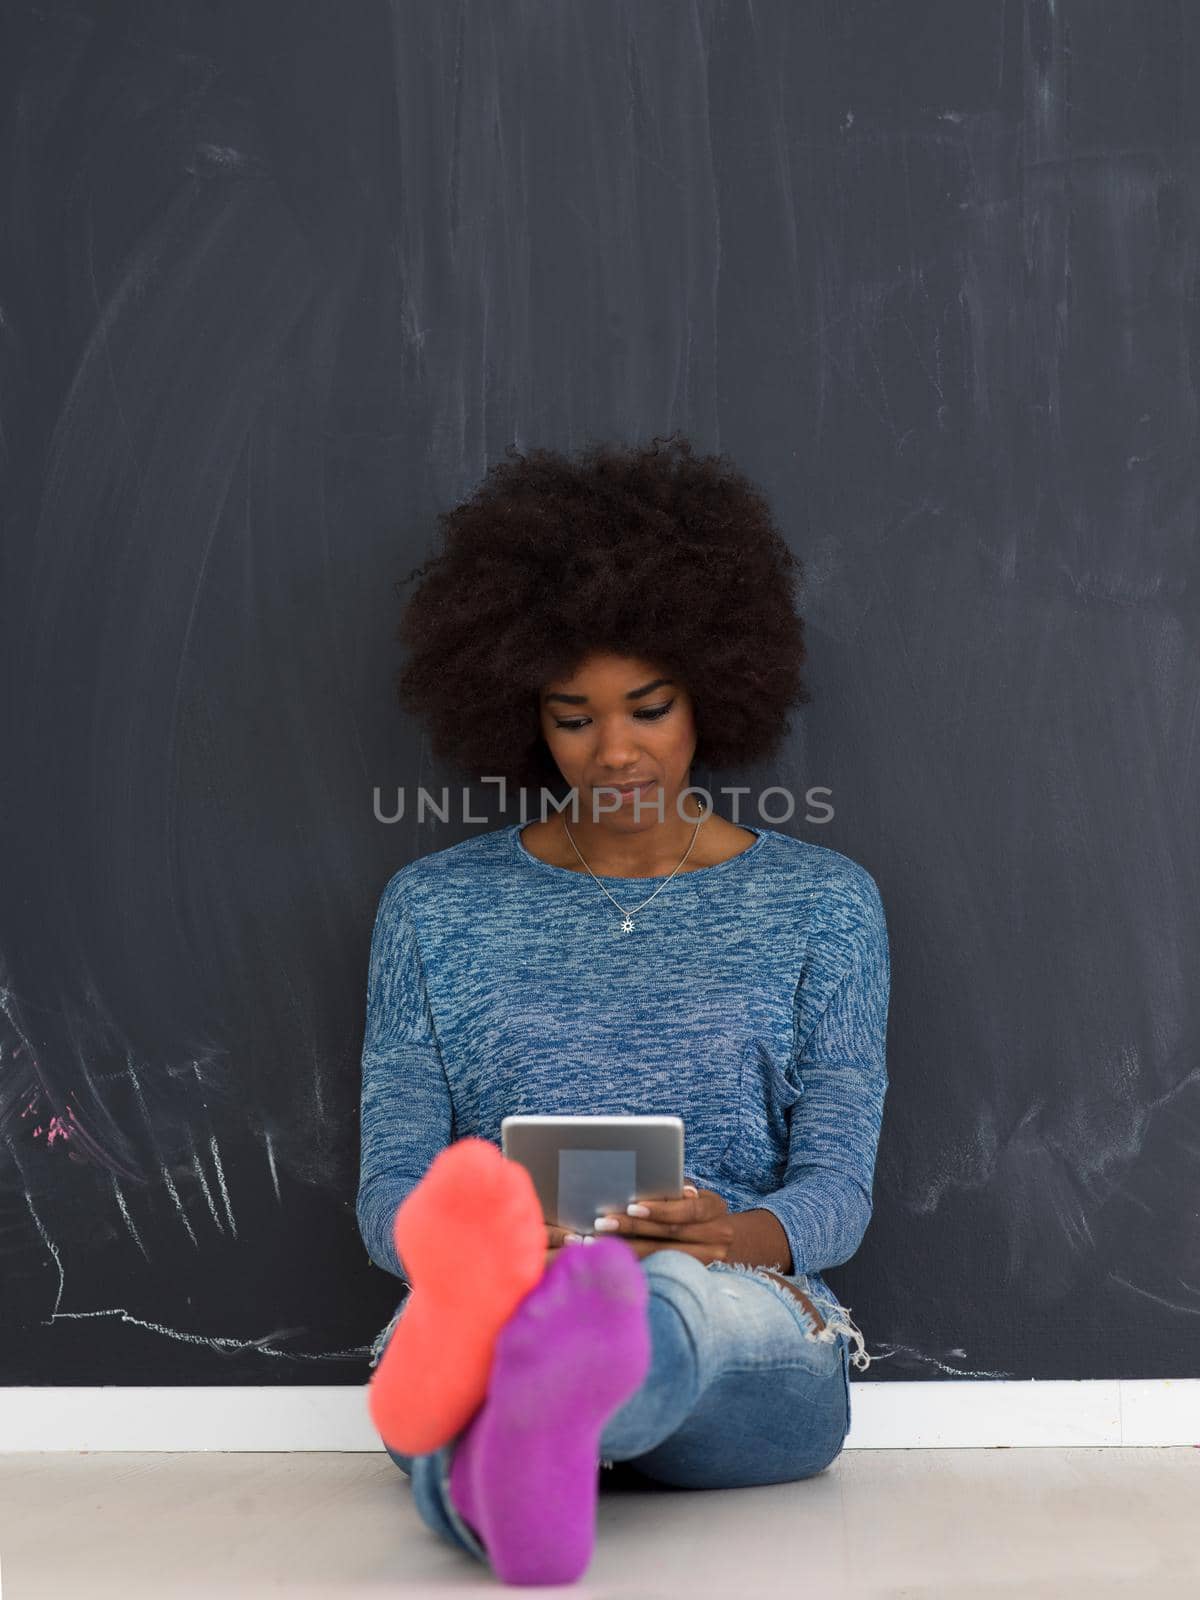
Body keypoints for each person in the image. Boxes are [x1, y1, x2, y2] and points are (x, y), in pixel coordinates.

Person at [356, 434, 891, 1586]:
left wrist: (732, 1234)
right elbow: (388, 1190)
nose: (615, 751)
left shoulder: (825, 906)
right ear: (520, 713)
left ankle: (529, 1397)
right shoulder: (433, 909)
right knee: (489, 1301)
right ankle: (532, 1397)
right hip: (504, 1277)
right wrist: (501, 1241)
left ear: (712, 687)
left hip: (743, 1302)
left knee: (670, 1307)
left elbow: (839, 1187)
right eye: (572, 716)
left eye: (649, 707)